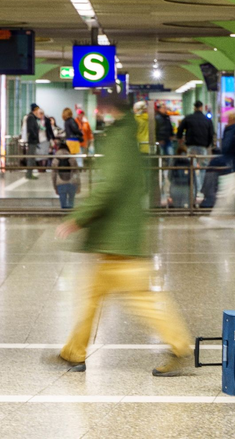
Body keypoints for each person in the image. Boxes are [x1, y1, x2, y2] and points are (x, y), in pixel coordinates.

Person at [55, 95, 193, 376]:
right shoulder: (129, 137)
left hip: (117, 238)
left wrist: (79, 218)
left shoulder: (119, 140)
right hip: (119, 234)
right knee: (93, 296)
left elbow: (111, 186)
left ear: (108, 109)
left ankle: (180, 346)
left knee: (139, 298)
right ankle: (73, 352)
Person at [176, 101, 215, 195]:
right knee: (203, 168)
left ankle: (194, 188)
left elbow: (180, 129)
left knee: (192, 167)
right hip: (202, 147)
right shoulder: (207, 120)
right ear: (201, 107)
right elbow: (211, 133)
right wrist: (208, 144)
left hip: (191, 146)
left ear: (194, 107)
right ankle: (201, 188)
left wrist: (180, 138)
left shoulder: (188, 118)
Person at [52, 141, 81, 209]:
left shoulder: (55, 160)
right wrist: (78, 185)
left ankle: (64, 217)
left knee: (63, 205)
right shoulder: (72, 159)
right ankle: (70, 217)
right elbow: (76, 173)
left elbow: (53, 176)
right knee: (71, 204)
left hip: (60, 184)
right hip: (72, 183)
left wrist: (55, 187)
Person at [169, 144, 193, 209]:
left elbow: (170, 176)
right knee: (184, 206)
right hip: (186, 187)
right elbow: (193, 178)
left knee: (176, 206)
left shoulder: (174, 162)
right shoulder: (189, 162)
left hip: (175, 186)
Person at [25, 104, 42, 179]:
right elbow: (31, 129)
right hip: (32, 141)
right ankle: (29, 174)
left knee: (32, 157)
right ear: (34, 110)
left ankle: (30, 173)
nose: (39, 111)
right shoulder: (31, 118)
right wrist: (35, 137)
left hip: (33, 140)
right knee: (31, 157)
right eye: (37, 109)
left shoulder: (33, 118)